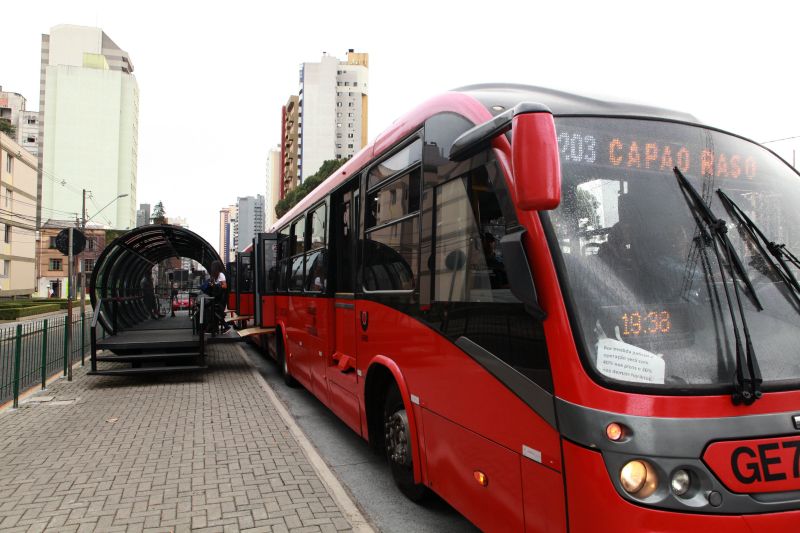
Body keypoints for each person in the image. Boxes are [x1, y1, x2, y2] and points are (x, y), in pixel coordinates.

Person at [208, 260, 230, 333]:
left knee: (217, 312)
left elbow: (225, 286)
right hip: (217, 298)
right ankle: (216, 329)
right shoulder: (214, 276)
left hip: (222, 298)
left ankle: (226, 326)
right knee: (216, 312)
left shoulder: (221, 275)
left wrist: (215, 285)